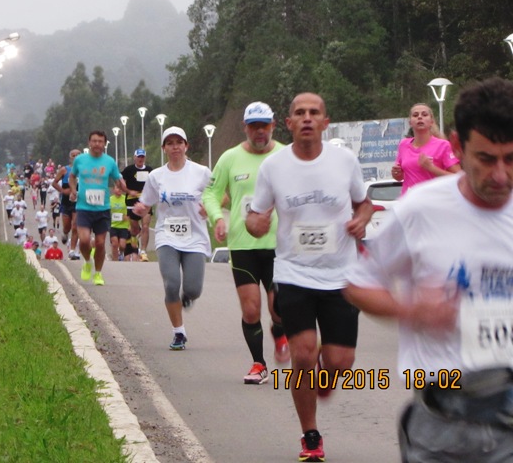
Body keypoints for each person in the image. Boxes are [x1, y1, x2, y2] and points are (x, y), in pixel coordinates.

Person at [345, 77, 513, 463]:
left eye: (511, 159)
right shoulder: (421, 210)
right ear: (456, 146)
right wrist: (412, 309)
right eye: (486, 159)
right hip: (441, 423)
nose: (501, 175)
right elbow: (357, 283)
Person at [246, 92, 373, 462]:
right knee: (304, 355)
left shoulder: (344, 161)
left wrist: (362, 219)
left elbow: (364, 202)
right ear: (288, 124)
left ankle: (323, 381)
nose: (306, 118)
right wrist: (256, 224)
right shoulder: (273, 167)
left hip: (341, 275)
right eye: (299, 113)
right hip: (294, 273)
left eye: (313, 113)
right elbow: (255, 218)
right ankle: (310, 435)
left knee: (338, 363)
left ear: (324, 121)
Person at [202, 101, 289, 385]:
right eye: (254, 126)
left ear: (273, 126)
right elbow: (211, 194)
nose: (259, 132)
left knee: (279, 308)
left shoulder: (287, 155)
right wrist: (218, 218)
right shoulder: (229, 158)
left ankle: (280, 332)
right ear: (245, 128)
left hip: (280, 245)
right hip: (242, 245)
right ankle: (258, 364)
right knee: (251, 309)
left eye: (264, 126)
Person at [133, 126, 211, 351]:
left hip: (194, 236)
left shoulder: (201, 172)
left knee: (193, 289)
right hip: (167, 235)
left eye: (179, 142)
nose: (175, 146)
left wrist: (211, 207)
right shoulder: (157, 176)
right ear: (164, 148)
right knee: (171, 284)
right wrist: (140, 209)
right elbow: (146, 203)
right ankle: (179, 333)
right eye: (170, 143)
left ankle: (187, 297)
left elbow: (220, 194)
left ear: (186, 146)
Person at [69, 130, 127, 286]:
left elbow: (117, 179)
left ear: (104, 144)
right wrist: (74, 190)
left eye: (100, 141)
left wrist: (122, 185)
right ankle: (87, 261)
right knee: (85, 240)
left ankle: (98, 273)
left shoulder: (109, 162)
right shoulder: (80, 160)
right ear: (89, 143)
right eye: (94, 141)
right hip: (83, 207)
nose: (97, 144)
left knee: (100, 243)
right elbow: (72, 177)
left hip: (102, 209)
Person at [392, 103, 461, 194]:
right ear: (410, 123)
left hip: (433, 201)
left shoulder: (443, 145)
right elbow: (400, 177)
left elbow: (459, 178)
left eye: (424, 115)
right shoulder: (403, 144)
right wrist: (396, 173)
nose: (419, 117)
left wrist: (432, 168)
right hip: (410, 201)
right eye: (415, 115)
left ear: (431, 121)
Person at [121, 148, 154, 261]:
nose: (140, 159)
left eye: (142, 157)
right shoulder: (128, 170)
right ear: (134, 157)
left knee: (145, 226)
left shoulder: (150, 170)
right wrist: (129, 191)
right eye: (138, 157)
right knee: (134, 229)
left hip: (145, 202)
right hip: (131, 202)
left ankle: (143, 251)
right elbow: (121, 184)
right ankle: (134, 240)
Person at [53, 149, 81, 260]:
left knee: (76, 226)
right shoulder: (64, 170)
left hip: (79, 202)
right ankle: (65, 233)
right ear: (70, 158)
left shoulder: (84, 170)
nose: (75, 157)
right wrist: (62, 190)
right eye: (73, 155)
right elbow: (54, 182)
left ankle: (73, 250)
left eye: (78, 155)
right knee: (67, 227)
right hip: (66, 202)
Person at [109, 183, 130, 261]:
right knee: (114, 244)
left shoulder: (125, 199)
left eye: (121, 188)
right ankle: (115, 260)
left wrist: (127, 217)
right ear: (113, 190)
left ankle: (121, 253)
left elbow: (130, 211)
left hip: (123, 226)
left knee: (122, 245)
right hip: (113, 225)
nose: (119, 190)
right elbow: (107, 211)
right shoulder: (110, 199)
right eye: (117, 188)